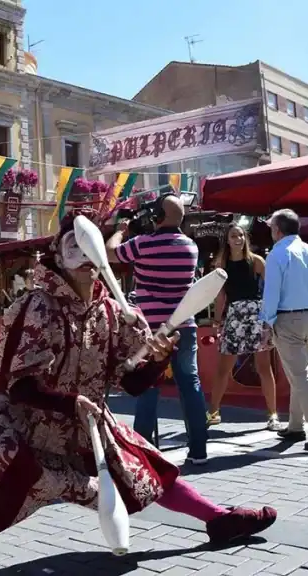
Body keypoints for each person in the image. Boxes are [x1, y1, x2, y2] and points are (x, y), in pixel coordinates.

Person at [0, 211, 277, 576]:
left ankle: (219, 520)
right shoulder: (34, 307)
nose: (88, 264)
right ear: (60, 258)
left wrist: (155, 361)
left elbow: (132, 383)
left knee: (148, 471)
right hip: (27, 421)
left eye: (93, 256)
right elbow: (15, 384)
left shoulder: (115, 312)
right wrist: (68, 403)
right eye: (77, 252)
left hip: (88, 423)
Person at [106, 194, 208, 465]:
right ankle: (199, 450)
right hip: (184, 327)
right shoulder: (191, 247)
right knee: (191, 385)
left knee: (148, 387)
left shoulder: (142, 244)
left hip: (151, 331)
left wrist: (119, 232)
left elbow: (109, 253)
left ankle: (144, 454)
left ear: (158, 217)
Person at [261, 209, 308, 454]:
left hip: (287, 319)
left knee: (301, 377)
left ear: (278, 230)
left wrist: (266, 322)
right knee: (303, 375)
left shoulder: (277, 254)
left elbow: (271, 293)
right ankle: (295, 425)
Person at [208, 222, 280, 431]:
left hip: (256, 314)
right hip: (234, 315)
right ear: (227, 240)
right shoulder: (221, 264)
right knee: (224, 367)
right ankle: (213, 412)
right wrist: (216, 321)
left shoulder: (256, 261)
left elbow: (271, 290)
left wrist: (270, 318)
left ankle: (273, 415)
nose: (238, 239)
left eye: (240, 235)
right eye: (233, 236)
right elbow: (220, 296)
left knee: (263, 367)